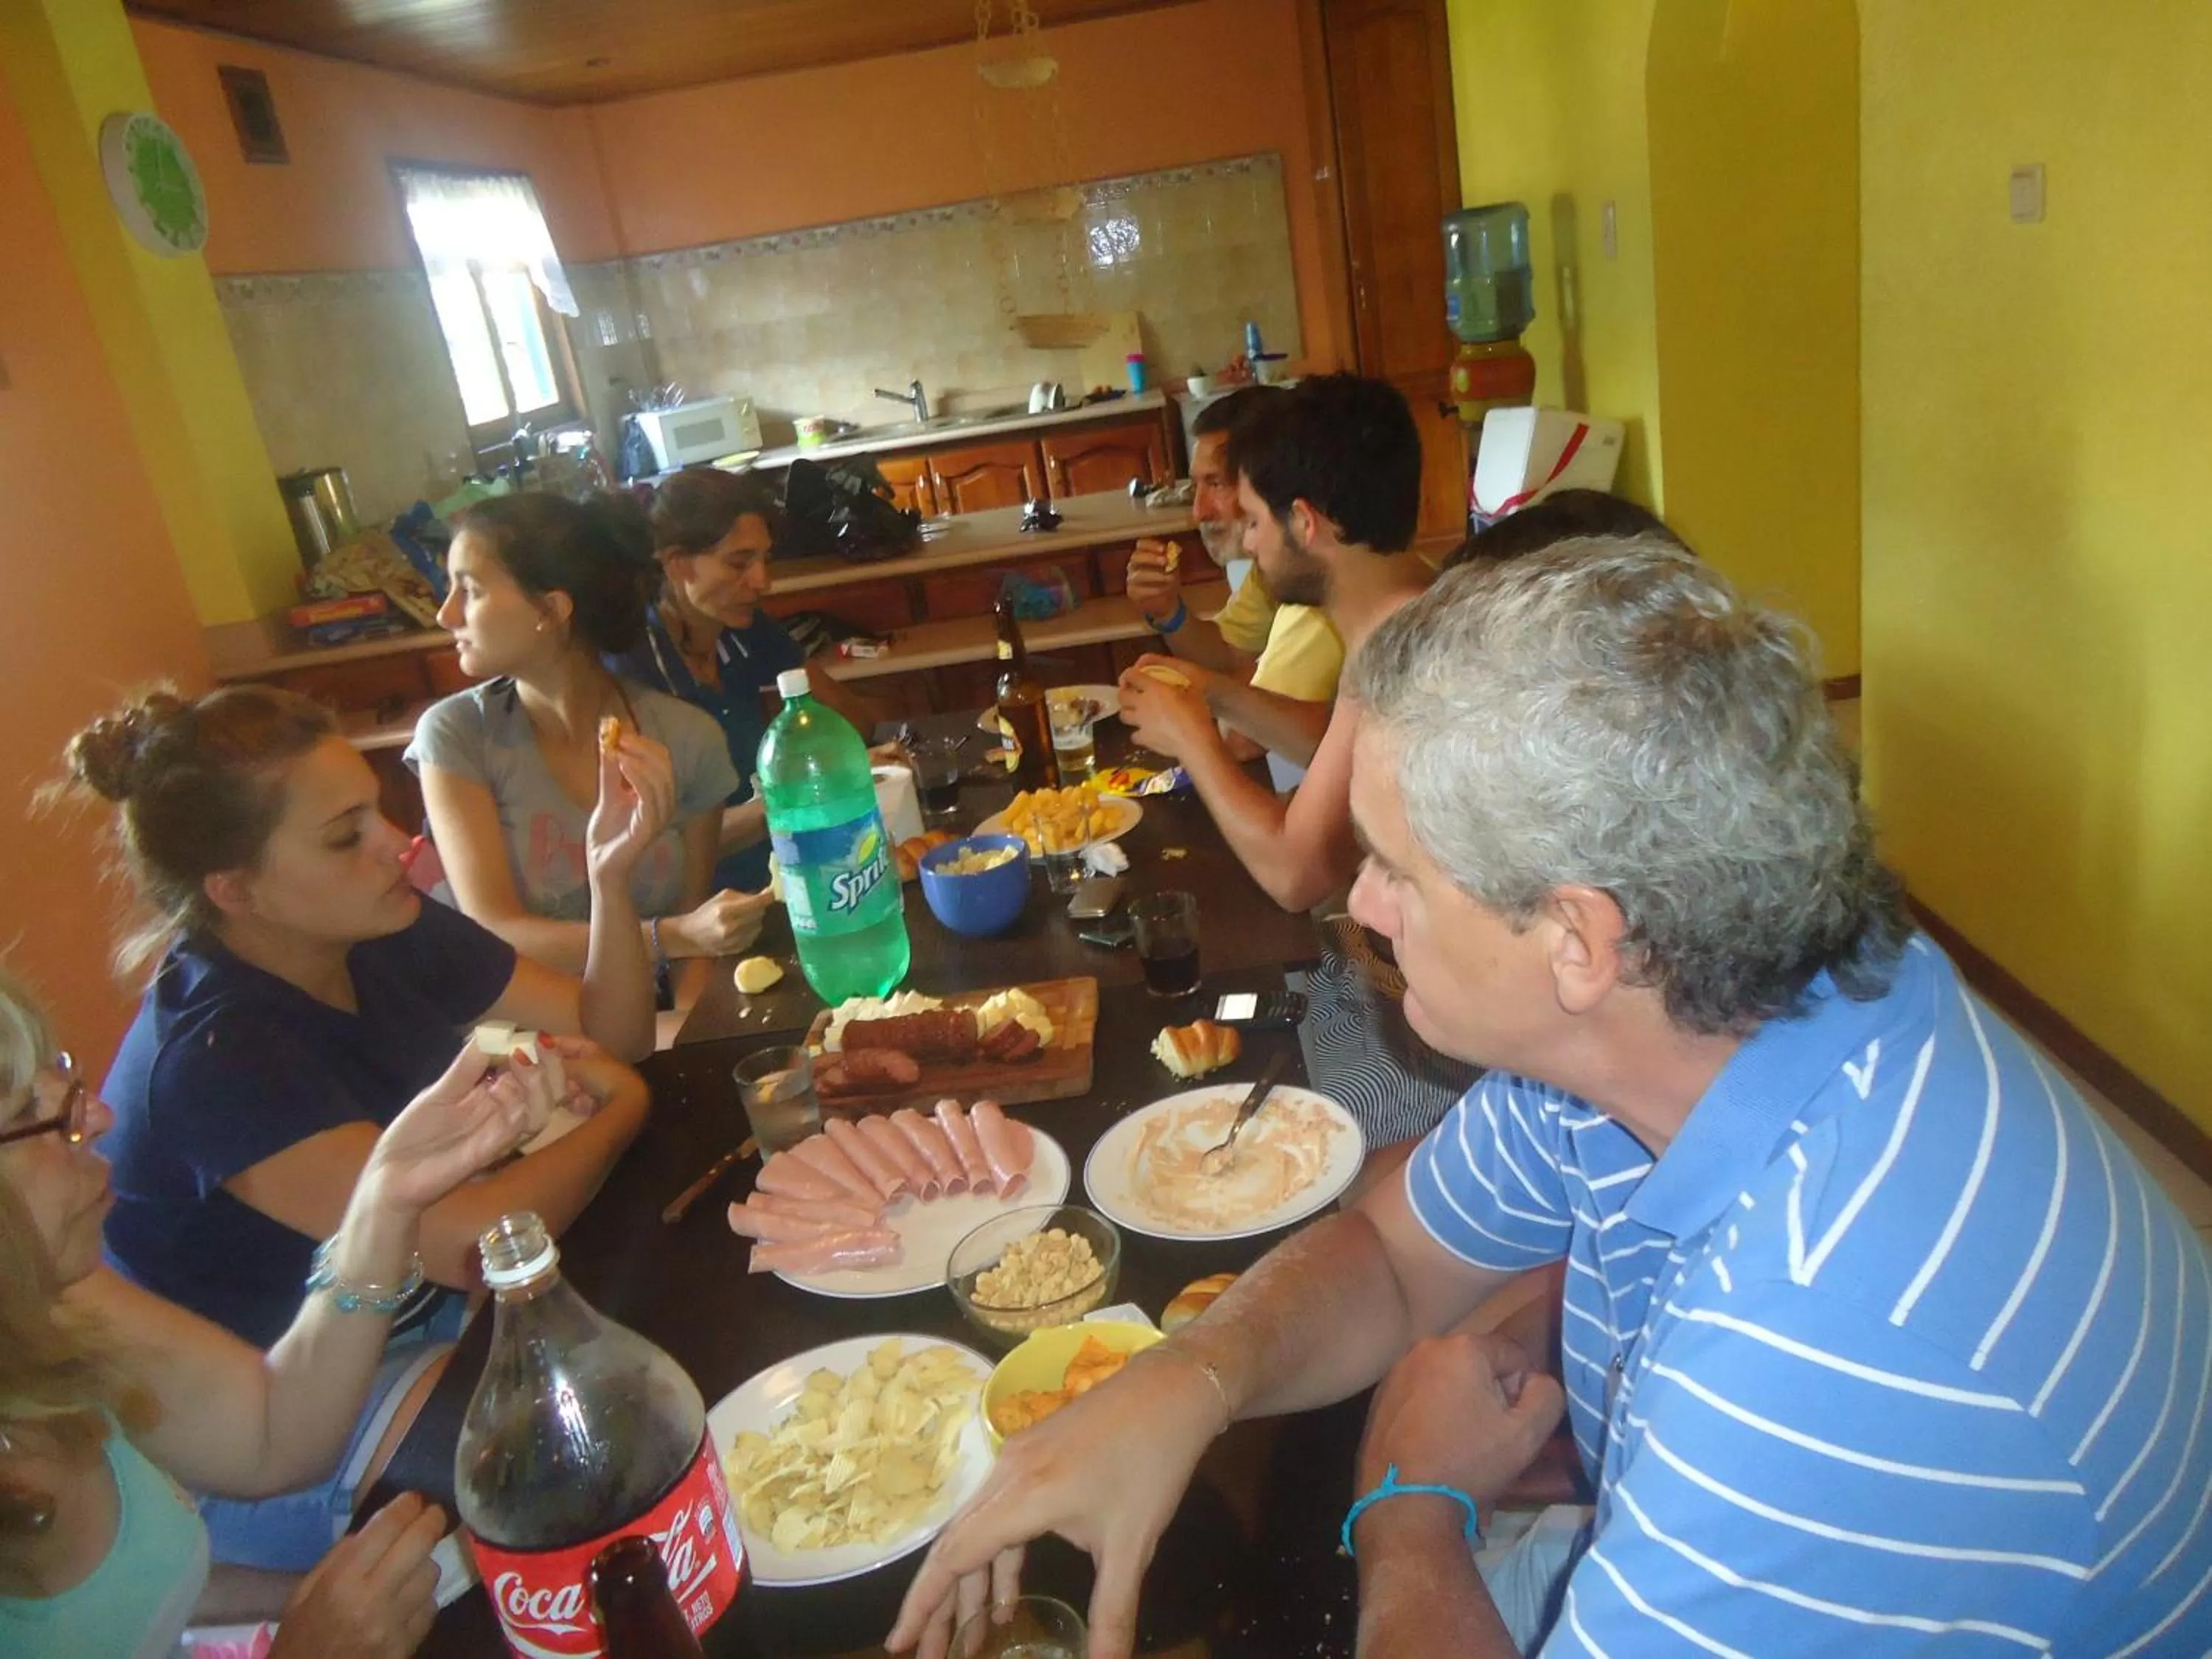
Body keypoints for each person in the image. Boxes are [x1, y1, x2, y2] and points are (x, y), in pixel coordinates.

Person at [894, 540, 2212, 1658]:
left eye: (1400, 870)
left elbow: (1713, 1414)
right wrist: (1188, 1378)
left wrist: (1410, 1505)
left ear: (1578, 938)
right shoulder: (1710, 1004)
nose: (1360, 902)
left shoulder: (1823, 1348)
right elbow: (1395, 1251)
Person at [66, 684, 656, 1571]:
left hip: (401, 1326)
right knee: (594, 1455)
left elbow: (615, 1037)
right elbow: (474, 1242)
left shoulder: (379, 928)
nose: (398, 843)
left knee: (638, 1333)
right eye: (346, 836)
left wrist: (609, 877)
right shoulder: (213, 1057)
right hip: (267, 1431)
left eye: (376, 811)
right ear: (236, 890)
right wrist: (622, 1109)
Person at [0, 957, 562, 1658]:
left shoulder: (52, 1304)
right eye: (30, 1110)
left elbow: (270, 1435)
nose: (102, 1113)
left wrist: (386, 1199)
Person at [410, 491, 762, 1022]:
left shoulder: (688, 738)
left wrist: (685, 1048)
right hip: (517, 1041)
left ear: (552, 609)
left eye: (471, 590)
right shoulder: (457, 735)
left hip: (651, 1022)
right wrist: (670, 936)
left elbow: (695, 947)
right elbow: (494, 931)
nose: (445, 614)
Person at [1117, 373, 1431, 913]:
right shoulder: (1397, 617)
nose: (1251, 540)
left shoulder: (1407, 661)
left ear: (1305, 521)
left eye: (1257, 520)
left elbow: (1295, 876)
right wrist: (1210, 691)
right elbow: (1336, 751)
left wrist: (1192, 738)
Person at [620, 467, 901, 891]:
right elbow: (656, 848)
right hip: (705, 905)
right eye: (739, 563)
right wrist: (798, 792)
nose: (762, 581)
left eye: (765, 559)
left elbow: (853, 725)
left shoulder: (744, 628)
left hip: (786, 868)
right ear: (676, 564)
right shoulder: (634, 671)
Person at [1123, 386, 1338, 768]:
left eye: (1217, 483)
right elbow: (1226, 654)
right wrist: (1170, 612)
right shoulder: (1273, 568)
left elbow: (1241, 738)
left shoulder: (1319, 587)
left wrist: (1200, 700)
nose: (1199, 512)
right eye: (1197, 485)